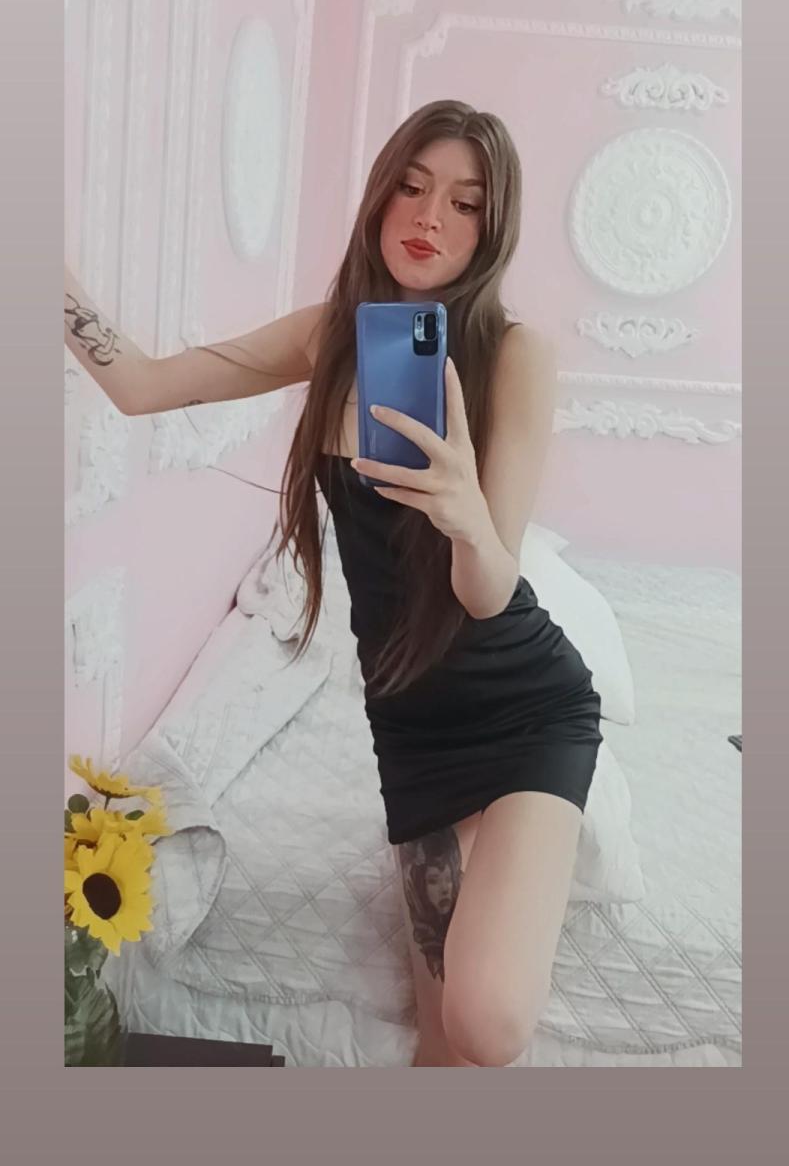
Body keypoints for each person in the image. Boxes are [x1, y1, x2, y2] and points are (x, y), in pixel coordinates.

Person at [65, 98, 603, 1068]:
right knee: (441, 1046)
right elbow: (141, 386)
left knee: (487, 1023)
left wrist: (462, 510)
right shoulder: (331, 338)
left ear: (493, 228)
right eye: (412, 186)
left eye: (465, 203)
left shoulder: (515, 355)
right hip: (412, 725)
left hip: (527, 710)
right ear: (380, 196)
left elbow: (488, 591)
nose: (429, 216)